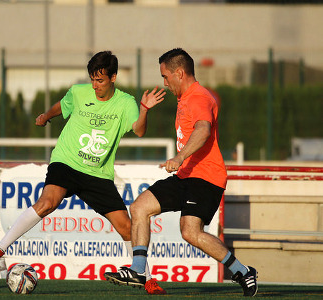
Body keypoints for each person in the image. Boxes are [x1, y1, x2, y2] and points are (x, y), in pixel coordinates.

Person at [0, 51, 167, 295]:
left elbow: (139, 131)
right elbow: (62, 105)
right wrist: (46, 116)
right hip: (65, 162)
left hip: (97, 174)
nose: (95, 85)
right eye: (92, 80)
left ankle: (146, 278)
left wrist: (144, 110)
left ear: (113, 77)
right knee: (47, 202)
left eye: (100, 80)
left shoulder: (126, 102)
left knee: (127, 228)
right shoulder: (79, 92)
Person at [103, 48, 258, 297]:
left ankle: (242, 271)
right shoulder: (184, 98)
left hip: (206, 177)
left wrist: (179, 156)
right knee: (140, 207)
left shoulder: (199, 97)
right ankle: (139, 270)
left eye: (165, 76)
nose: (164, 82)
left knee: (190, 232)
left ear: (179, 72)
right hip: (186, 175)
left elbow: (203, 129)